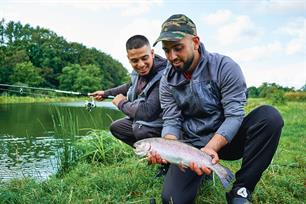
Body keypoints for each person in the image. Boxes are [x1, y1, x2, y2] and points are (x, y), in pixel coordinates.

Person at [149, 14, 284, 204]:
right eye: (167, 50)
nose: (172, 57)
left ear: (195, 42)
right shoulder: (166, 80)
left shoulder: (224, 67)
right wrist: (168, 147)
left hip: (226, 140)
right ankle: (201, 173)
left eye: (178, 48)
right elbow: (171, 120)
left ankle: (241, 190)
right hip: (191, 145)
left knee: (270, 117)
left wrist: (211, 148)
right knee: (172, 200)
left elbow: (234, 116)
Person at [90, 35, 167, 147]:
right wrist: (106, 93)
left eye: (144, 58)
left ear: (152, 53)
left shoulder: (164, 75)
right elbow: (129, 86)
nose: (141, 64)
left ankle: (165, 157)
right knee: (117, 127)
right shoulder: (137, 72)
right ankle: (147, 153)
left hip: (165, 124)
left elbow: (147, 112)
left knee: (141, 130)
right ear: (128, 58)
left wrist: (121, 103)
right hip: (151, 122)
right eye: (134, 60)